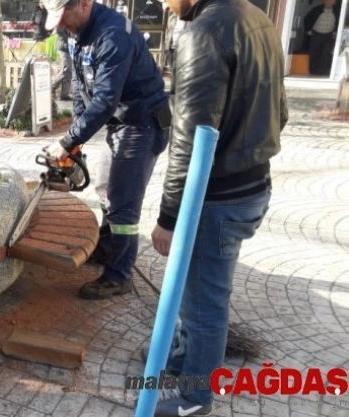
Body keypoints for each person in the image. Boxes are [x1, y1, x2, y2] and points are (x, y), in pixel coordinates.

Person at [145, 0, 288, 412]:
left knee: (204, 302)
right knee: (197, 288)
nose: (163, 5)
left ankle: (195, 397)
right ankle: (180, 359)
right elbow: (281, 111)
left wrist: (169, 217)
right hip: (253, 182)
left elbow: (189, 141)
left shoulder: (204, 34)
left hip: (216, 195)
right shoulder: (258, 19)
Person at [42, 0, 171, 300]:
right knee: (104, 188)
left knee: (123, 201)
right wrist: (76, 137)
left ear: (84, 3)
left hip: (143, 122)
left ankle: (119, 275)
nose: (62, 25)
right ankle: (107, 248)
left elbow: (104, 101)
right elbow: (81, 87)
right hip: (121, 122)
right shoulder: (78, 33)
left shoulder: (113, 35)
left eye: (64, 17)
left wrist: (66, 141)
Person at [303, 0, 341, 76]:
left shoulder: (337, 11)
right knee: (314, 53)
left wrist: (336, 31)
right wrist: (308, 30)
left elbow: (339, 21)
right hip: (316, 34)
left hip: (329, 35)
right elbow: (307, 19)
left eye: (331, 0)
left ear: (335, 2)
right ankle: (313, 71)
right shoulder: (317, 9)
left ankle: (322, 71)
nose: (329, 2)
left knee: (326, 53)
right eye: (327, 0)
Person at [51, 27, 72, 100]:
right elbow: (59, 31)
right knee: (66, 70)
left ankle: (64, 95)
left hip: (68, 47)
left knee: (68, 72)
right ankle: (51, 86)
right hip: (64, 47)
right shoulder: (62, 24)